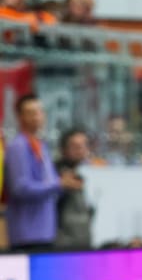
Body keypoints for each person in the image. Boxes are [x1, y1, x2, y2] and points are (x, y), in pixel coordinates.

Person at [4, 93, 79, 252]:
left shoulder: (41, 146)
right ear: (20, 117)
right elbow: (20, 187)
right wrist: (58, 184)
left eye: (39, 111)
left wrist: (63, 183)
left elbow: (50, 182)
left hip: (45, 231)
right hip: (27, 233)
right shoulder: (18, 147)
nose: (37, 117)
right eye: (31, 112)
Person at [54, 128, 94, 250]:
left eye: (84, 145)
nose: (81, 150)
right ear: (64, 149)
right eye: (75, 146)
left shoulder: (88, 173)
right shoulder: (55, 173)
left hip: (85, 241)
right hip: (63, 244)